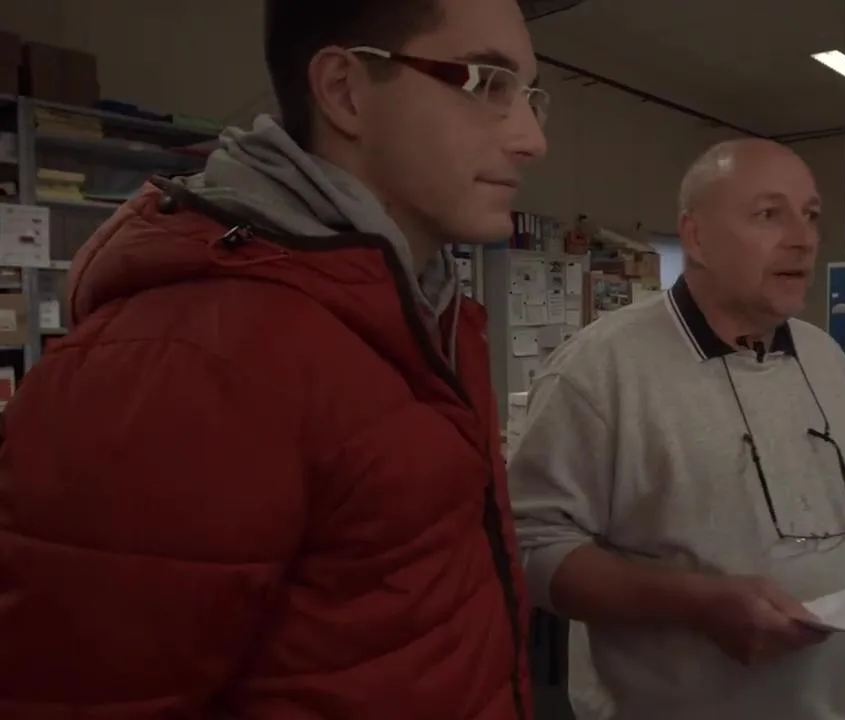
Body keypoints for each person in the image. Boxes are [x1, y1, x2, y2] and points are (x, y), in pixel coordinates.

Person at [0, 0, 546, 717]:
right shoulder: (191, 359)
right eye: (485, 84)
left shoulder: (430, 319)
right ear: (345, 91)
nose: (532, 138)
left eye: (531, 96)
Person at [509, 139, 845, 720]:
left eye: (810, 215)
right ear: (697, 236)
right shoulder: (601, 370)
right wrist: (696, 605)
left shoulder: (827, 360)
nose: (804, 239)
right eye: (768, 214)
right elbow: (530, 548)